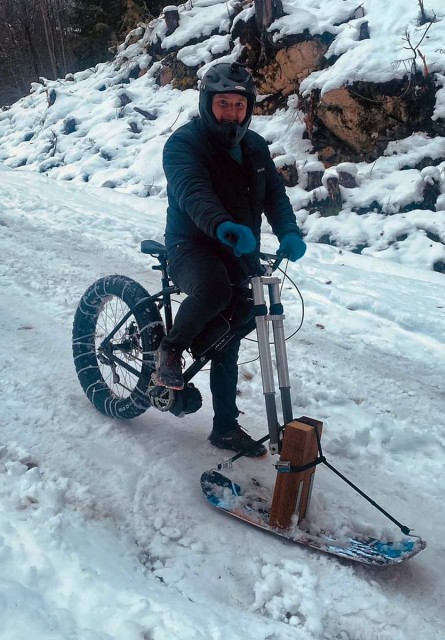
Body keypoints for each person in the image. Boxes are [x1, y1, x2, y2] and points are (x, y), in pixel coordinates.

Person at [156, 61, 306, 457]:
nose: (232, 114)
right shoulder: (183, 144)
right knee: (215, 289)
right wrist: (222, 225)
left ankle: (224, 427)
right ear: (207, 103)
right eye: (224, 104)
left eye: (239, 106)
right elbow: (192, 193)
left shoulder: (255, 146)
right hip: (192, 246)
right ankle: (170, 348)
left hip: (240, 247)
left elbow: (274, 194)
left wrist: (288, 230)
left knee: (235, 330)